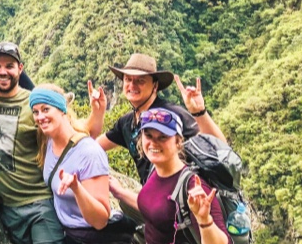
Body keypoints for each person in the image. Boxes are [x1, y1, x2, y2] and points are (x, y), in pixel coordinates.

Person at [0, 42, 66, 244]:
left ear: (20, 69)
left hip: (39, 207)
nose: (3, 72)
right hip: (7, 210)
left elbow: (67, 137)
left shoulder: (34, 104)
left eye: (9, 66)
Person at [29, 85, 134, 244]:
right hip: (72, 235)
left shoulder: (90, 153)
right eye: (35, 111)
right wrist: (97, 112)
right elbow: (89, 129)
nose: (40, 117)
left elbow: (100, 220)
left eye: (45, 109)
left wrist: (77, 189)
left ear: (62, 109)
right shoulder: (48, 140)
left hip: (100, 243)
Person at [126, 108, 232, 244]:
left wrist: (204, 220)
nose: (154, 143)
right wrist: (117, 190)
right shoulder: (155, 169)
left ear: (178, 142)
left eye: (162, 137)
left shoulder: (193, 186)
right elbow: (155, 208)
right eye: (149, 135)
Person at [85, 53, 227, 185]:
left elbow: (219, 147)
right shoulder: (127, 123)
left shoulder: (170, 115)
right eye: (128, 79)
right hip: (151, 199)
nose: (132, 85)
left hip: (181, 199)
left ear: (155, 85)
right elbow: (92, 146)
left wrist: (199, 112)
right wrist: (98, 112)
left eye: (140, 80)